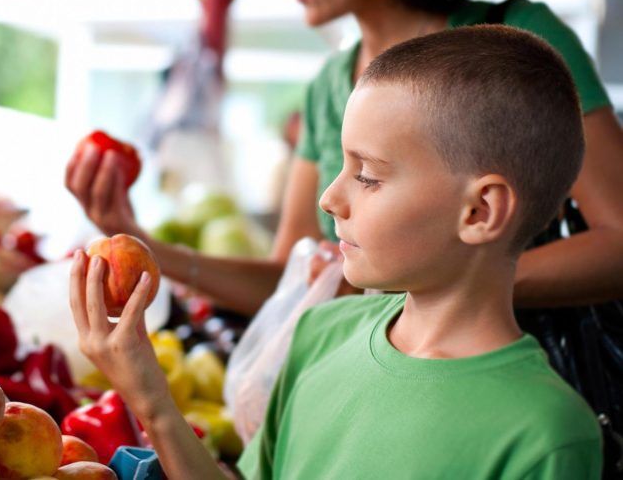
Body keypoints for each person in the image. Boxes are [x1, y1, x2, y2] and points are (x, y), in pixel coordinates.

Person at [69, 26, 602, 479]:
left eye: (367, 176)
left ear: (480, 212)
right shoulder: (319, 334)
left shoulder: (547, 435)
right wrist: (150, 399)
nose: (329, 198)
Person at [65, 0, 623, 315]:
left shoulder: (522, 42)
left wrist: (450, 281)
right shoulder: (329, 84)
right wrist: (143, 248)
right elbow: (294, 281)